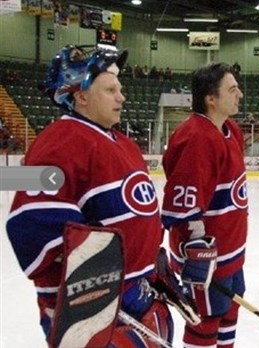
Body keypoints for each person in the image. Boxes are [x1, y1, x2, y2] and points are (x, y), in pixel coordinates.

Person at [5, 45, 174, 346]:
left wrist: (151, 263)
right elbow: (30, 225)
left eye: (120, 89)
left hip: (139, 298)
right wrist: (106, 290)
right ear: (80, 96)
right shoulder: (56, 143)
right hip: (90, 312)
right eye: (110, 90)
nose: (122, 97)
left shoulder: (124, 144)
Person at [161, 62, 247, 348]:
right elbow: (182, 202)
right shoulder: (197, 136)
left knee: (229, 310)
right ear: (211, 98)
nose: (240, 95)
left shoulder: (230, 130)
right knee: (207, 318)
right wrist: (196, 244)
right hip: (209, 256)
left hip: (231, 250)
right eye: (232, 89)